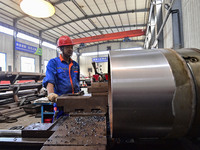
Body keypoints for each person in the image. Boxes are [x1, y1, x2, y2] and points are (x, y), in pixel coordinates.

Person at [42, 35, 80, 102]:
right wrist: (51, 94)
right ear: (61, 48)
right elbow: (50, 80)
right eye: (68, 47)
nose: (70, 49)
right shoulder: (53, 63)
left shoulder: (75, 65)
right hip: (61, 99)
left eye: (71, 47)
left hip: (76, 98)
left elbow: (77, 81)